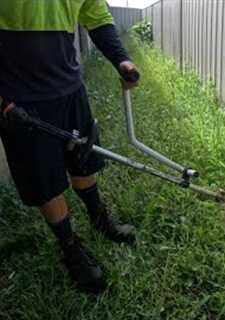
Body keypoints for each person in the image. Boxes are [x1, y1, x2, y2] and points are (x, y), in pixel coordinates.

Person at [0, 1, 140, 294]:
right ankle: (69, 247)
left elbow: (95, 13)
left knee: (83, 159)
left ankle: (99, 218)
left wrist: (121, 59)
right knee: (45, 181)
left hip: (69, 87)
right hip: (19, 97)